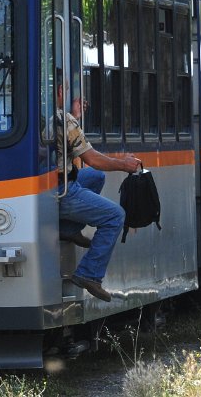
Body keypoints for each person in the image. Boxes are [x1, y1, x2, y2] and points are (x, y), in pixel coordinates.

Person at [55, 81, 141, 302]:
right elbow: (92, 159)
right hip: (61, 189)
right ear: (57, 91)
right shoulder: (63, 120)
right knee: (115, 216)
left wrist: (75, 116)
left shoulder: (43, 116)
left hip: (47, 184)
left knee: (95, 177)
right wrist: (124, 164)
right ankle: (89, 274)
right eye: (63, 89)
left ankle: (68, 229)